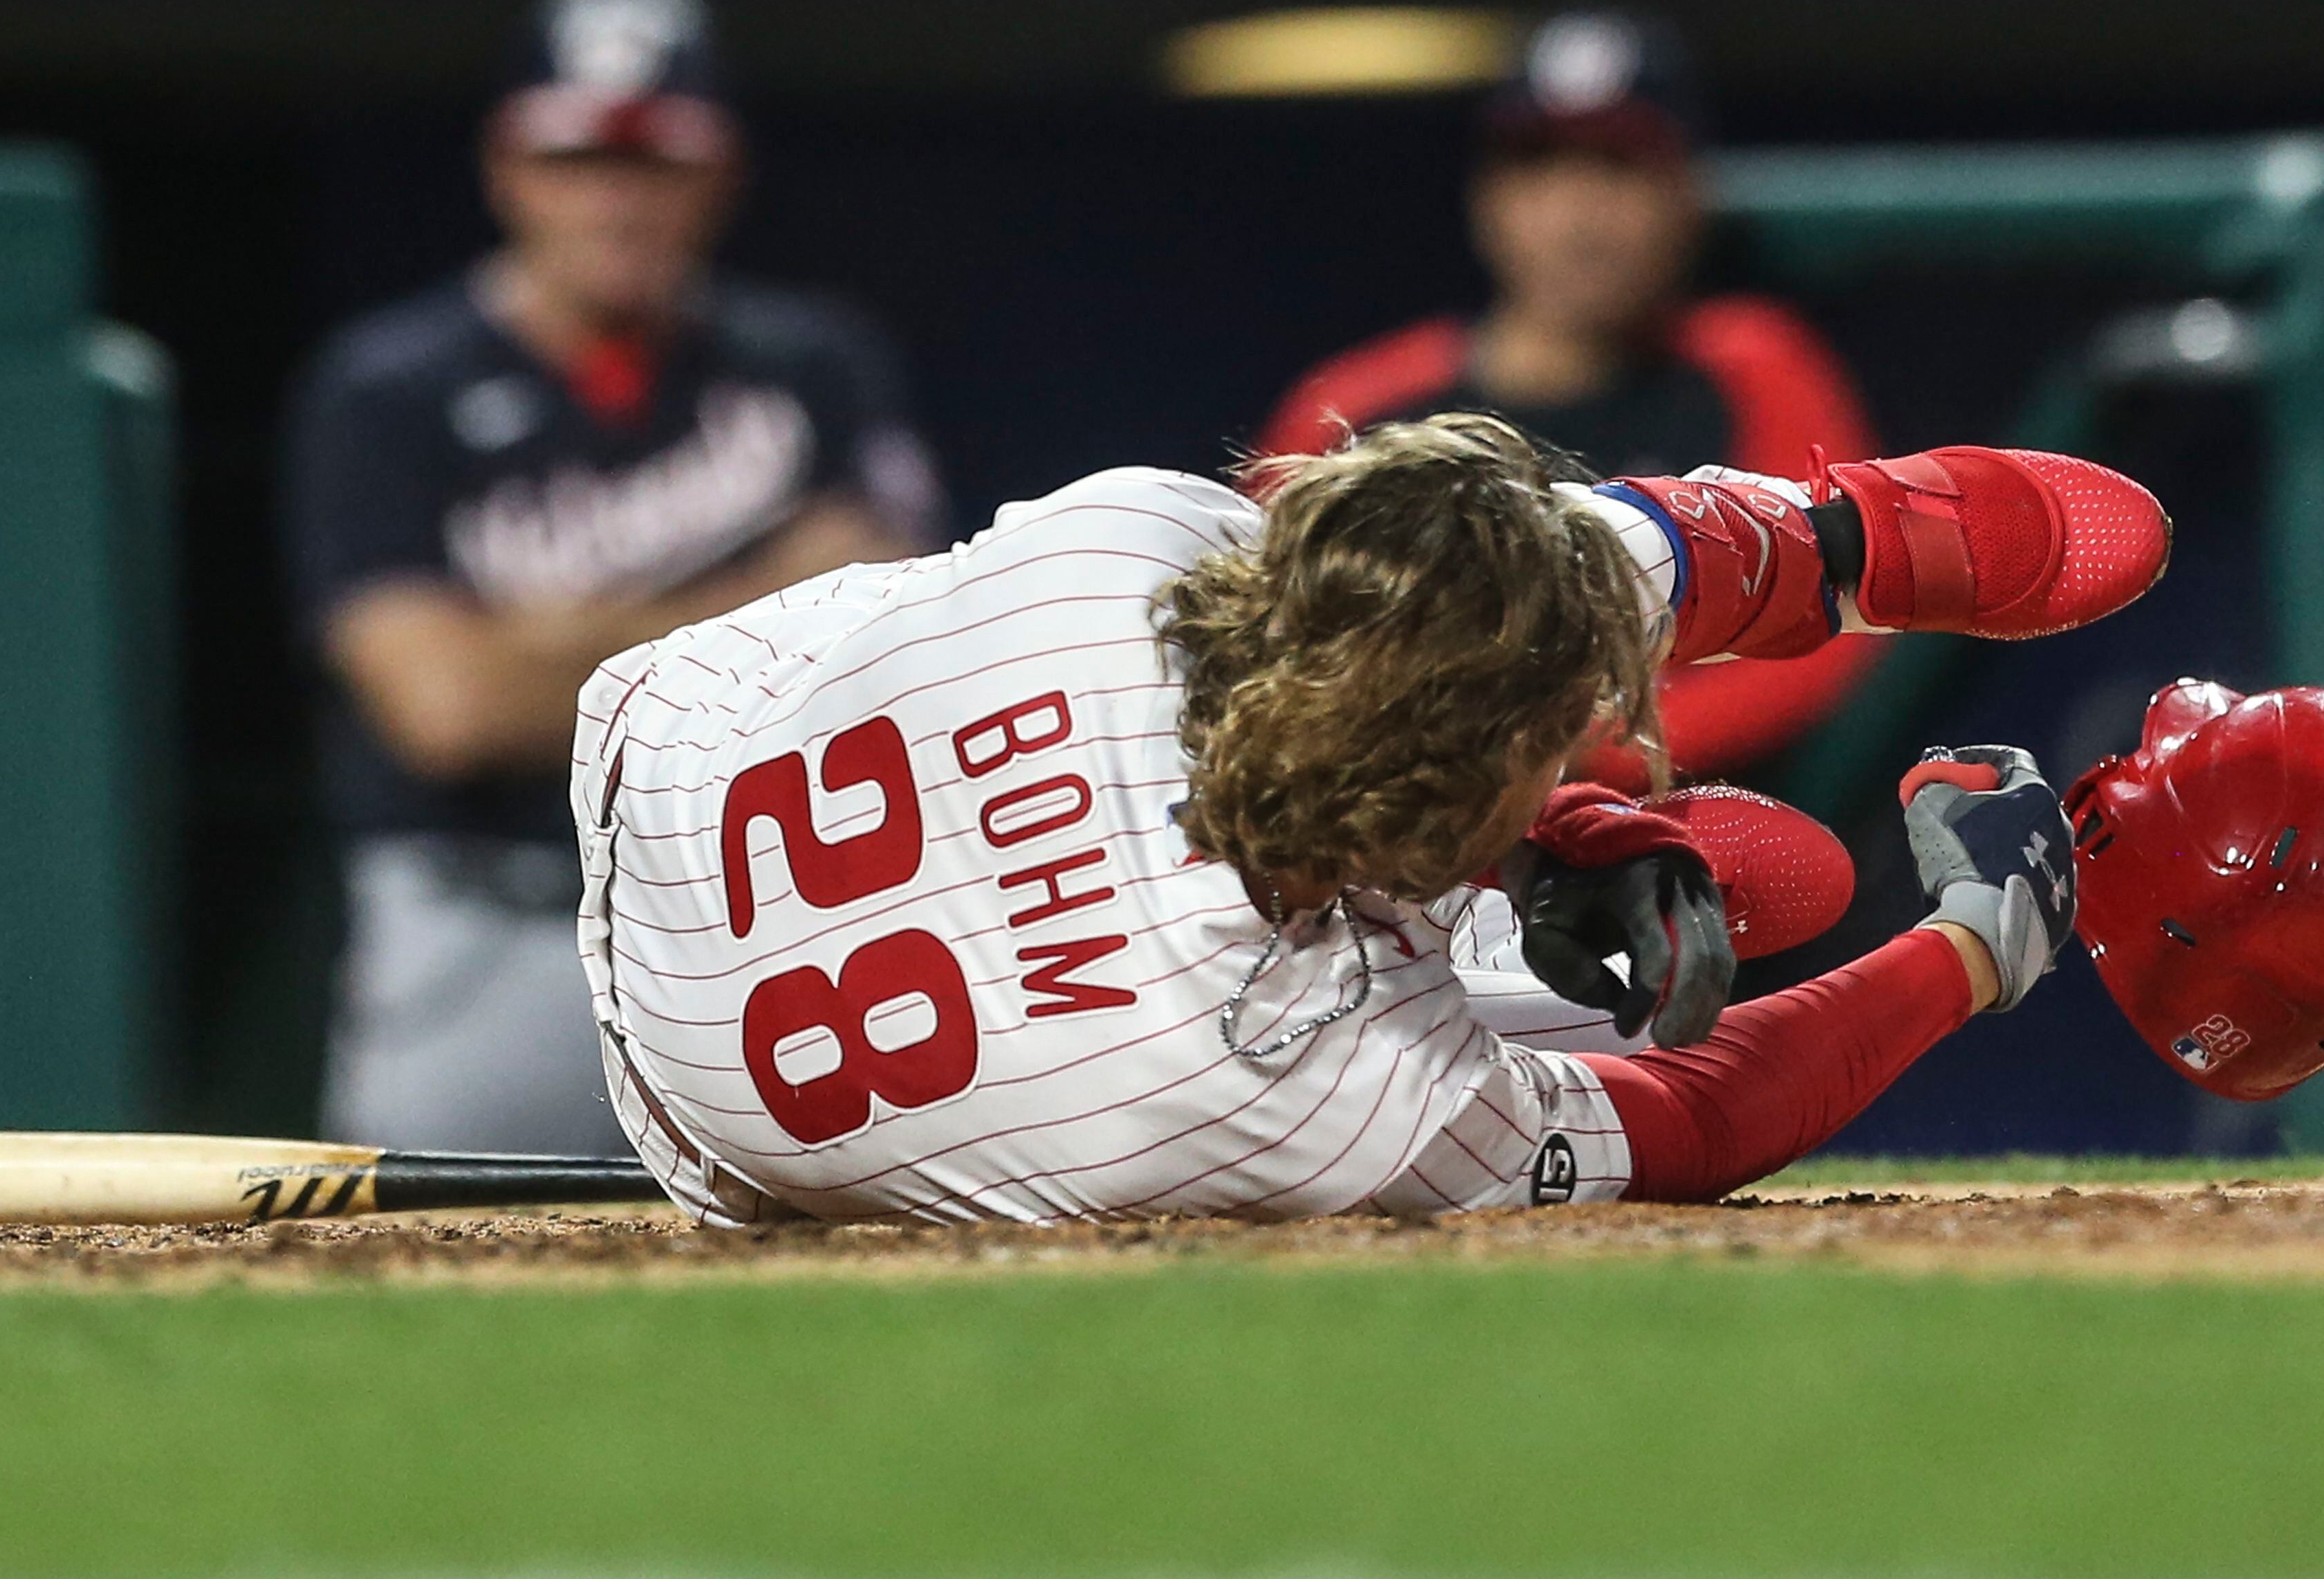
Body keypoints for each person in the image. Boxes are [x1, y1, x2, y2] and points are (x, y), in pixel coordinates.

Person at [571, 417, 2170, 1224]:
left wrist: (1539, 817)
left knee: (1442, 597)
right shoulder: (1330, 1075)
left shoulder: (1135, 539)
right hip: (727, 1128)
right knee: (1713, 921)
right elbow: (1694, 1122)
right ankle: (1560, 834)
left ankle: (1843, 541)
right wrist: (1978, 942)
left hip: (670, 744)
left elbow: (1377, 614)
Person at [289, 0, 942, 1154]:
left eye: (654, 163)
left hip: (789, 941)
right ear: (506, 170)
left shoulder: (812, 365)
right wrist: (769, 606)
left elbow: (888, 671)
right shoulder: (391, 389)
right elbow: (448, 710)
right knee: (432, 1309)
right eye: (578, 159)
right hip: (491, 928)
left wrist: (544, 643)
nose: (616, 202)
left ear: (718, 175)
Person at [1257, 12, 1882, 783]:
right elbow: (1267, 665)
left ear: (1684, 191)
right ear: (1487, 197)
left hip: (1696, 843)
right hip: (1415, 862)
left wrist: (1557, 751)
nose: (1576, 216)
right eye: (1538, 165)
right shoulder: (1359, 405)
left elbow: (1844, 620)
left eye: (1617, 167)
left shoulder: (1751, 365)